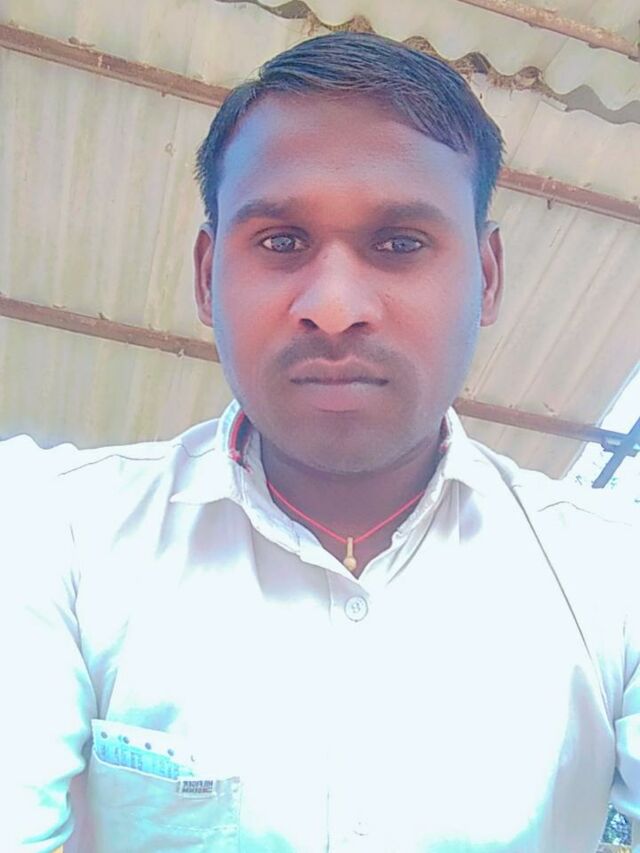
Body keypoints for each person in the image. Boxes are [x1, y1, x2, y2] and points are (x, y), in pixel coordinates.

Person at [4, 31, 639, 853]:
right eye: (281, 241)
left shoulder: (613, 571)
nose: (335, 307)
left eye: (399, 243)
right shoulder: (53, 531)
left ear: (486, 277)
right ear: (206, 276)